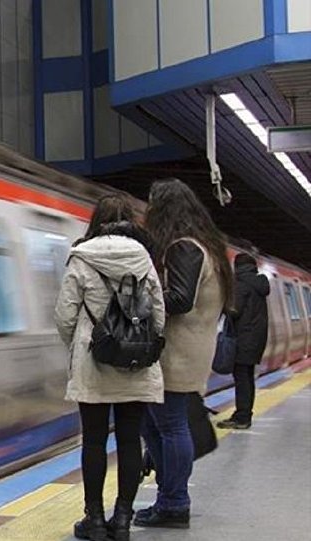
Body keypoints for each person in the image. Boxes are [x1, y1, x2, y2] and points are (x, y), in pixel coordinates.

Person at [55, 194, 166, 541]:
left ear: (96, 221)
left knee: (94, 441)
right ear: (130, 222)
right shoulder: (144, 259)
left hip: (93, 363)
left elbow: (64, 316)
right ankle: (122, 520)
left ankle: (95, 520)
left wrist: (80, 345)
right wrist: (140, 342)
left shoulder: (81, 257)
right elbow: (160, 316)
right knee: (130, 439)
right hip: (135, 364)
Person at [137, 179, 233, 529]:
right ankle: (169, 497)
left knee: (170, 426)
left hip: (178, 353)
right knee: (156, 424)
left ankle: (175, 502)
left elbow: (179, 299)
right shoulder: (207, 246)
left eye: (152, 205)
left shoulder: (184, 248)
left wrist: (141, 301)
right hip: (190, 349)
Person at [217, 252, 269, 429]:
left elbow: (234, 310)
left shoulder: (241, 284)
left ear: (237, 266)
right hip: (255, 339)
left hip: (243, 339)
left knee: (242, 379)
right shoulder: (258, 283)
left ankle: (242, 417)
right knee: (247, 377)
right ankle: (245, 414)